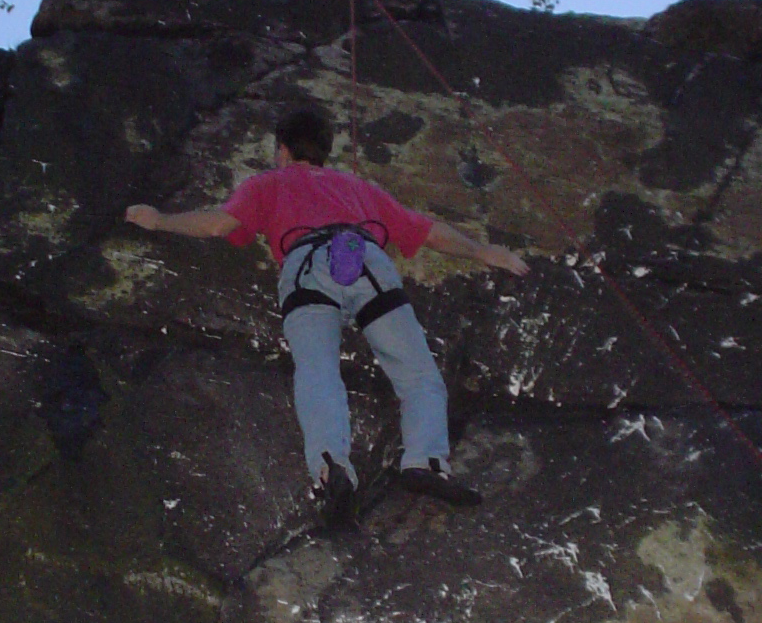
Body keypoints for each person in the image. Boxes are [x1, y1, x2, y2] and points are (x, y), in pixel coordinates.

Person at [125, 104, 530, 519]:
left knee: (318, 370)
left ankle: (330, 467)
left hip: (306, 265)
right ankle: (425, 462)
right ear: (322, 151)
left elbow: (217, 225)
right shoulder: (357, 187)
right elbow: (426, 230)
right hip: (364, 259)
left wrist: (159, 220)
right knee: (417, 372)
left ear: (283, 151)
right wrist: (485, 251)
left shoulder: (269, 183)